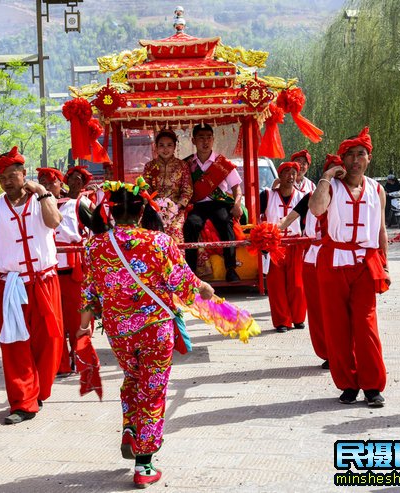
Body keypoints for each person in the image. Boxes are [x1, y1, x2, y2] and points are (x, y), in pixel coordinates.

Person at [79, 178, 214, 488]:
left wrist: (83, 324)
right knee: (152, 389)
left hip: (118, 331)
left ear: (111, 212)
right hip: (155, 330)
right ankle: (144, 462)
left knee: (133, 379)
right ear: (141, 212)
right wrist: (206, 290)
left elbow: (89, 291)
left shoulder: (95, 246)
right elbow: (183, 284)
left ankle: (130, 427)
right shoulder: (159, 242)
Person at [0, 146, 64, 425]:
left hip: (45, 280)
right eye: (2, 177)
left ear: (23, 174)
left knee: (50, 341)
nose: (7, 181)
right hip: (11, 285)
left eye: (12, 175)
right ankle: (23, 401)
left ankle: (38, 390)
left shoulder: (41, 200)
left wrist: (41, 191)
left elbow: (54, 221)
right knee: (15, 345)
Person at [309, 127, 390, 408]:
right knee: (337, 325)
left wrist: (385, 265)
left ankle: (372, 385)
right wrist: (327, 175)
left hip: (366, 264)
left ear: (369, 158)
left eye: (361, 154)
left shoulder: (377, 190)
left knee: (366, 325)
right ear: (342, 159)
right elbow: (317, 209)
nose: (356, 160)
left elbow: (381, 230)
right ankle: (347, 383)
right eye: (350, 155)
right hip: (333, 261)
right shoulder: (331, 186)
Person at [278, 154, 345, 368]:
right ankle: (327, 351)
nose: (338, 177)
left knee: (339, 308)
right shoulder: (311, 198)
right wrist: (266, 234)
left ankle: (342, 349)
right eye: (333, 172)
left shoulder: (353, 197)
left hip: (339, 258)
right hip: (312, 257)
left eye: (340, 172)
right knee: (316, 309)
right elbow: (287, 220)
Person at [37, 166, 93, 375]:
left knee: (78, 319)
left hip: (73, 271)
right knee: (53, 322)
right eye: (42, 180)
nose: (46, 185)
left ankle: (81, 359)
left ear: (61, 184)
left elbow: (100, 228)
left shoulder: (78, 204)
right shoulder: (34, 206)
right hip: (46, 271)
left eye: (51, 181)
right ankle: (58, 364)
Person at [184, 123, 243, 282]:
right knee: (191, 224)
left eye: (208, 137)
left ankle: (231, 268)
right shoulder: (187, 164)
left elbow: (237, 188)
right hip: (198, 205)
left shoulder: (222, 163)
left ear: (213, 139)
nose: (205, 141)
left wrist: (237, 204)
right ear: (193, 140)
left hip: (219, 204)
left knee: (225, 222)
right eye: (201, 138)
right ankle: (190, 271)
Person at [260, 161, 306, 333]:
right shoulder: (267, 195)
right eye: (287, 172)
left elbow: (307, 222)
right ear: (279, 176)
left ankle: (298, 317)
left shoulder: (302, 197)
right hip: (275, 245)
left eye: (294, 172)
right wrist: (261, 239)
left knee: (297, 284)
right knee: (276, 285)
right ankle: (281, 321)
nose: (291, 176)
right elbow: (257, 217)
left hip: (295, 244)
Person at [142, 128, 193, 242]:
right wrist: (154, 205)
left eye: (169, 145)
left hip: (177, 210)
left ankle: (176, 259)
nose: (165, 149)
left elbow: (187, 190)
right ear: (156, 147)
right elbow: (145, 189)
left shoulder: (182, 165)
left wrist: (176, 207)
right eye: (162, 145)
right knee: (148, 233)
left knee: (175, 230)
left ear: (174, 147)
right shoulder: (149, 166)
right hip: (154, 209)